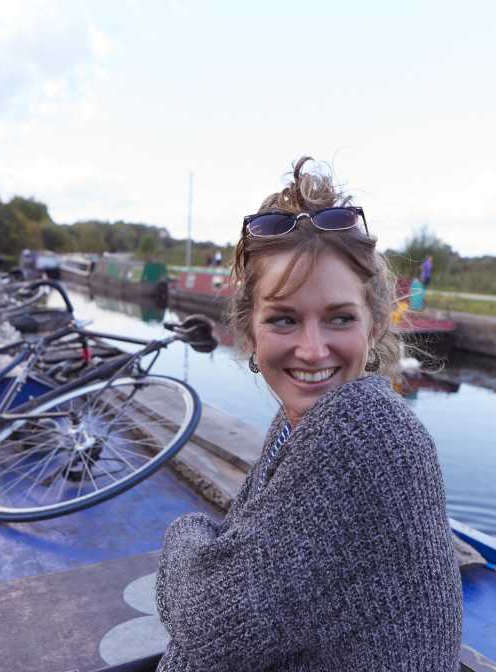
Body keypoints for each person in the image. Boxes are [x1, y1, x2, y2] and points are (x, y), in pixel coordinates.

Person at [155, 157, 462, 671]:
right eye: (284, 319)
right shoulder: (312, 415)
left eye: (339, 318)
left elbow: (207, 624)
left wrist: (183, 534)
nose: (312, 350)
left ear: (375, 328)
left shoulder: (363, 433)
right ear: (249, 333)